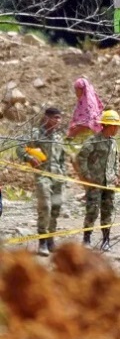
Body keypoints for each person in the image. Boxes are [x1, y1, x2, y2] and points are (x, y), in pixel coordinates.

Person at [17, 107, 65, 256]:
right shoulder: (36, 134)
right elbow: (19, 148)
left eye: (59, 118)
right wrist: (30, 158)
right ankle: (42, 242)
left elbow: (62, 157)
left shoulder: (58, 137)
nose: (58, 121)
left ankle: (51, 240)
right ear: (46, 118)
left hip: (57, 177)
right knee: (45, 206)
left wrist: (64, 174)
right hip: (42, 176)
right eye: (55, 117)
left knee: (56, 209)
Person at [75, 109, 120, 250]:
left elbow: (116, 160)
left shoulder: (113, 142)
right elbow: (80, 158)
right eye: (116, 126)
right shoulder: (93, 141)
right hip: (95, 184)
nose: (118, 129)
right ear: (110, 126)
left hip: (109, 185)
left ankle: (106, 240)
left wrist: (116, 174)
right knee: (92, 211)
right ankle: (86, 239)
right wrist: (87, 177)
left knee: (107, 212)